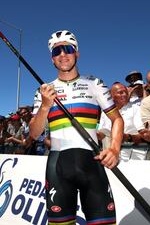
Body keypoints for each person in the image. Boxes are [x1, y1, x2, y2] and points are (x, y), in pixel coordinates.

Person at [29, 30, 123, 224]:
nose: (63, 54)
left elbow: (117, 119)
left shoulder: (94, 83)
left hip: (93, 163)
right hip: (58, 167)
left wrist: (114, 148)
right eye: (57, 52)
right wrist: (46, 105)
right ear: (52, 59)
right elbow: (34, 133)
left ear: (77, 53)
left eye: (68, 49)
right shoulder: (44, 90)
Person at [97, 82, 147, 160]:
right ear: (111, 95)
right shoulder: (105, 112)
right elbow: (101, 133)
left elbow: (143, 135)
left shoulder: (136, 109)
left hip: (134, 155)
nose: (124, 94)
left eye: (126, 92)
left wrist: (126, 137)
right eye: (120, 92)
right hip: (110, 155)